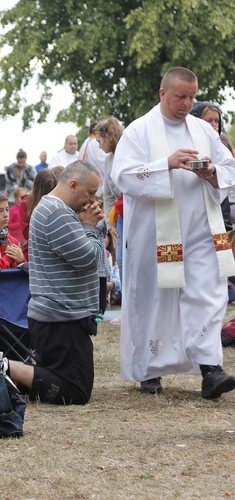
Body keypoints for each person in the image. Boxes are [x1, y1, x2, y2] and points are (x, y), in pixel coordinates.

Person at [111, 67, 235, 397]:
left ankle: (211, 369)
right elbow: (121, 176)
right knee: (155, 297)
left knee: (209, 295)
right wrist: (165, 163)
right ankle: (149, 371)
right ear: (163, 94)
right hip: (156, 234)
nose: (187, 103)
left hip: (201, 231)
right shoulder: (138, 131)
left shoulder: (202, 130)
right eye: (181, 96)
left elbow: (228, 167)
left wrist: (210, 171)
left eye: (192, 97)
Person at [8, 161, 104, 405]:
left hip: (61, 315)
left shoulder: (56, 209)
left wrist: (86, 226)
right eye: (90, 192)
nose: (93, 199)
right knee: (75, 391)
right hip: (61, 317)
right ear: (73, 185)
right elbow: (89, 258)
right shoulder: (57, 213)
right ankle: (3, 366)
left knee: (70, 384)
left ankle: (5, 371)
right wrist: (90, 227)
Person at [189, 102, 233, 231]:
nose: (214, 124)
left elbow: (229, 171)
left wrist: (213, 170)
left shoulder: (221, 146)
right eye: (209, 121)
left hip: (218, 206)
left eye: (216, 120)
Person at [95, 116, 125, 279]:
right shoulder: (108, 160)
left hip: (137, 212)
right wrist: (109, 225)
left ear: (108, 137)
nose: (99, 146)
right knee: (120, 260)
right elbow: (107, 195)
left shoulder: (129, 152)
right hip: (121, 215)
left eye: (100, 141)